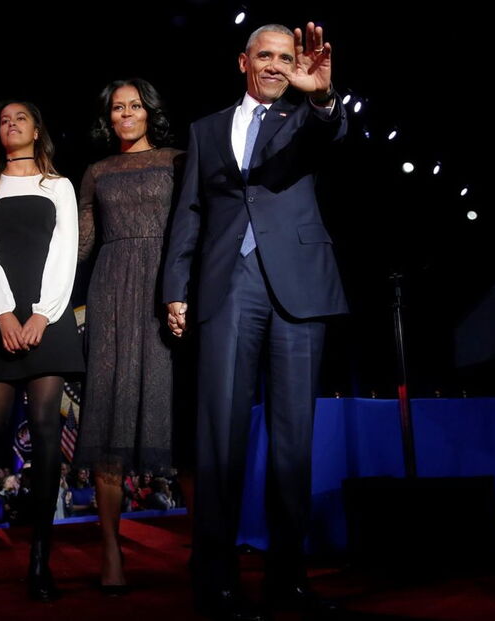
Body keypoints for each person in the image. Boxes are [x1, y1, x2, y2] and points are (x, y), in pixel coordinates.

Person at [163, 22, 347, 619]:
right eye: (264, 55)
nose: (274, 65)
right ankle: (215, 582)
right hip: (227, 289)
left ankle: (287, 580)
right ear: (243, 60)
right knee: (219, 440)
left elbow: (330, 132)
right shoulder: (205, 129)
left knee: (293, 444)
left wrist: (318, 95)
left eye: (285, 58)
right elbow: (188, 213)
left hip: (297, 288)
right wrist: (176, 287)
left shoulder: (306, 118)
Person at [0, 100, 83, 601]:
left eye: (20, 119)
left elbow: (65, 250)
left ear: (37, 130)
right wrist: (5, 313)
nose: (11, 125)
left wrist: (42, 314)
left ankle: (39, 559)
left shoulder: (59, 186)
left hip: (46, 315)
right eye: (4, 120)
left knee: (49, 430)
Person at [75, 77, 182, 592]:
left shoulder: (179, 160)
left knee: (180, 415)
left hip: (170, 291)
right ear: (108, 117)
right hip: (112, 291)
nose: (125, 114)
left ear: (150, 111)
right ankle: (112, 553)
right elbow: (79, 247)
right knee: (108, 412)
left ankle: (205, 548)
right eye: (117, 108)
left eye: (135, 105)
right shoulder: (96, 172)